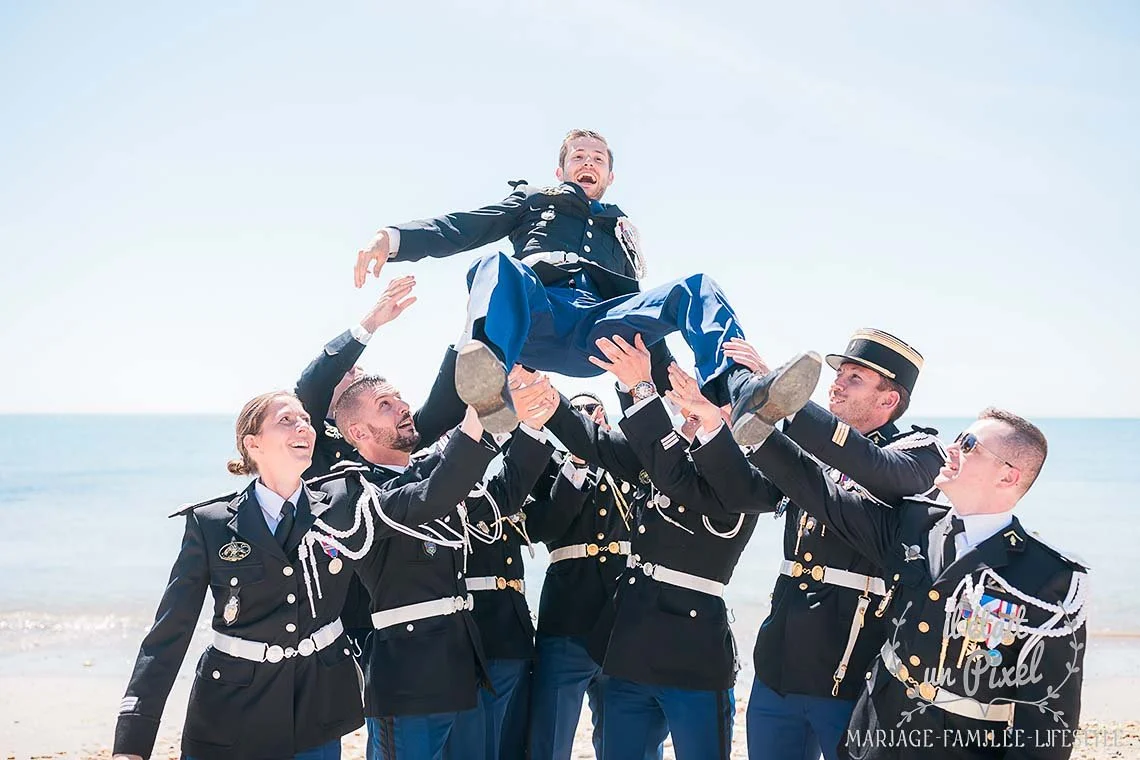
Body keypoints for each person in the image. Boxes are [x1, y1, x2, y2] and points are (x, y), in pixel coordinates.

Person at [352, 128, 819, 443]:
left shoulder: (622, 233)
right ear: (562, 171)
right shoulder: (534, 201)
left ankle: (741, 390)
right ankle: (491, 382)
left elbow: (640, 314)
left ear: (610, 176)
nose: (587, 162)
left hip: (598, 332)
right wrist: (391, 239)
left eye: (597, 158)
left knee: (697, 287)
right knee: (493, 265)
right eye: (578, 156)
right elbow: (461, 227)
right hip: (535, 317)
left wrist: (675, 390)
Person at [714, 408, 1089, 759]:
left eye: (970, 445)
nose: (953, 449)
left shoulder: (1050, 578)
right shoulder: (914, 525)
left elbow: (1048, 720)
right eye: (958, 437)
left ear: (1008, 476)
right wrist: (760, 426)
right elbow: (822, 496)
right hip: (874, 736)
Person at [708, 330, 946, 760]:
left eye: (854, 377)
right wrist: (727, 418)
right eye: (839, 374)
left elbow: (874, 468)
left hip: (850, 672)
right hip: (779, 662)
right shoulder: (810, 445)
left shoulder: (919, 450)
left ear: (887, 401)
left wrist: (781, 396)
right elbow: (744, 493)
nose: (835, 383)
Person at [112, 392, 365, 760]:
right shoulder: (210, 524)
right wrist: (132, 742)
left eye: (306, 420)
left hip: (315, 712)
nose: (304, 427)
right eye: (286, 420)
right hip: (228, 715)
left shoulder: (343, 505)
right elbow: (169, 633)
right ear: (253, 444)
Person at [322, 370, 556, 760]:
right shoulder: (350, 491)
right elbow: (431, 495)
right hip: (408, 675)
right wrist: (479, 417)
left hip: (464, 666)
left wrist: (530, 428)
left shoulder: (431, 474)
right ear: (359, 432)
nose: (403, 408)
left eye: (399, 398)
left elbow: (503, 498)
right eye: (385, 405)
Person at [524, 392, 657, 760]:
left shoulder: (627, 461)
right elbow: (546, 525)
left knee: (628, 739)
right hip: (567, 618)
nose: (586, 416)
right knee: (550, 738)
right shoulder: (546, 466)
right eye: (577, 412)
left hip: (622, 622)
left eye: (592, 409)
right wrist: (578, 461)